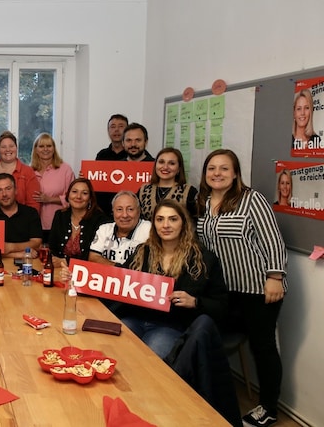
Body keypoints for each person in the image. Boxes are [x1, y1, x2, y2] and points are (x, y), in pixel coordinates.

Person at [196, 149, 287, 427]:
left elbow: (272, 240)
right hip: (224, 291)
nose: (217, 173)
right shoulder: (204, 202)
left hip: (257, 289)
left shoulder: (252, 200)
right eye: (212, 168)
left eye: (224, 168)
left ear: (235, 173)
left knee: (263, 348)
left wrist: (274, 276)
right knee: (209, 338)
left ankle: (269, 409)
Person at [118, 200, 228, 359]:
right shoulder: (143, 252)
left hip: (170, 326)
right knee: (115, 350)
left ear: (183, 223)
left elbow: (221, 305)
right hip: (136, 319)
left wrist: (195, 302)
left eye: (173, 219)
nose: (166, 225)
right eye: (160, 219)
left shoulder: (203, 259)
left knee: (149, 361)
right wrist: (78, 279)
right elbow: (116, 280)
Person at [0, 173, 41, 259]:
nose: (4, 194)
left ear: (15, 190)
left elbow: (36, 242)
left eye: (8, 189)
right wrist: (20, 254)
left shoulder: (30, 213)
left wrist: (10, 247)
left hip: (28, 265)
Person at [48, 178, 107, 263]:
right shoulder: (60, 215)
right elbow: (52, 248)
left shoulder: (100, 220)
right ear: (68, 195)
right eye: (74, 192)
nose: (78, 196)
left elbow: (95, 257)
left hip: (88, 271)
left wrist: (67, 261)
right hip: (61, 270)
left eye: (84, 193)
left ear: (90, 198)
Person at [31, 132, 75, 241]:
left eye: (49, 146)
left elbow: (73, 197)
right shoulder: (29, 171)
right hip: (34, 224)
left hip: (58, 223)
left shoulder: (65, 169)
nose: (45, 149)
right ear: (36, 149)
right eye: (41, 146)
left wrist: (49, 199)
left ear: (54, 148)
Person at [89, 190, 151, 266]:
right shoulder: (104, 229)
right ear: (113, 212)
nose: (124, 215)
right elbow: (93, 257)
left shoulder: (149, 229)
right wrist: (118, 269)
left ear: (138, 212)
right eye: (119, 209)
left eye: (130, 209)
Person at [137, 147, 198, 221]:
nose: (165, 167)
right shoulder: (144, 190)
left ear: (179, 169)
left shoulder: (189, 192)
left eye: (171, 163)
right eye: (161, 162)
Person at [0, 131, 39, 210]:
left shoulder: (28, 172)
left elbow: (34, 204)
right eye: (3, 147)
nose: (8, 149)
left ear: (16, 148)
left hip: (22, 219)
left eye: (11, 146)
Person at [96, 114, 129, 216]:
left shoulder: (133, 155)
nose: (116, 130)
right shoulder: (102, 155)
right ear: (108, 131)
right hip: (103, 211)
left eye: (120, 126)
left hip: (127, 212)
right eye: (113, 127)